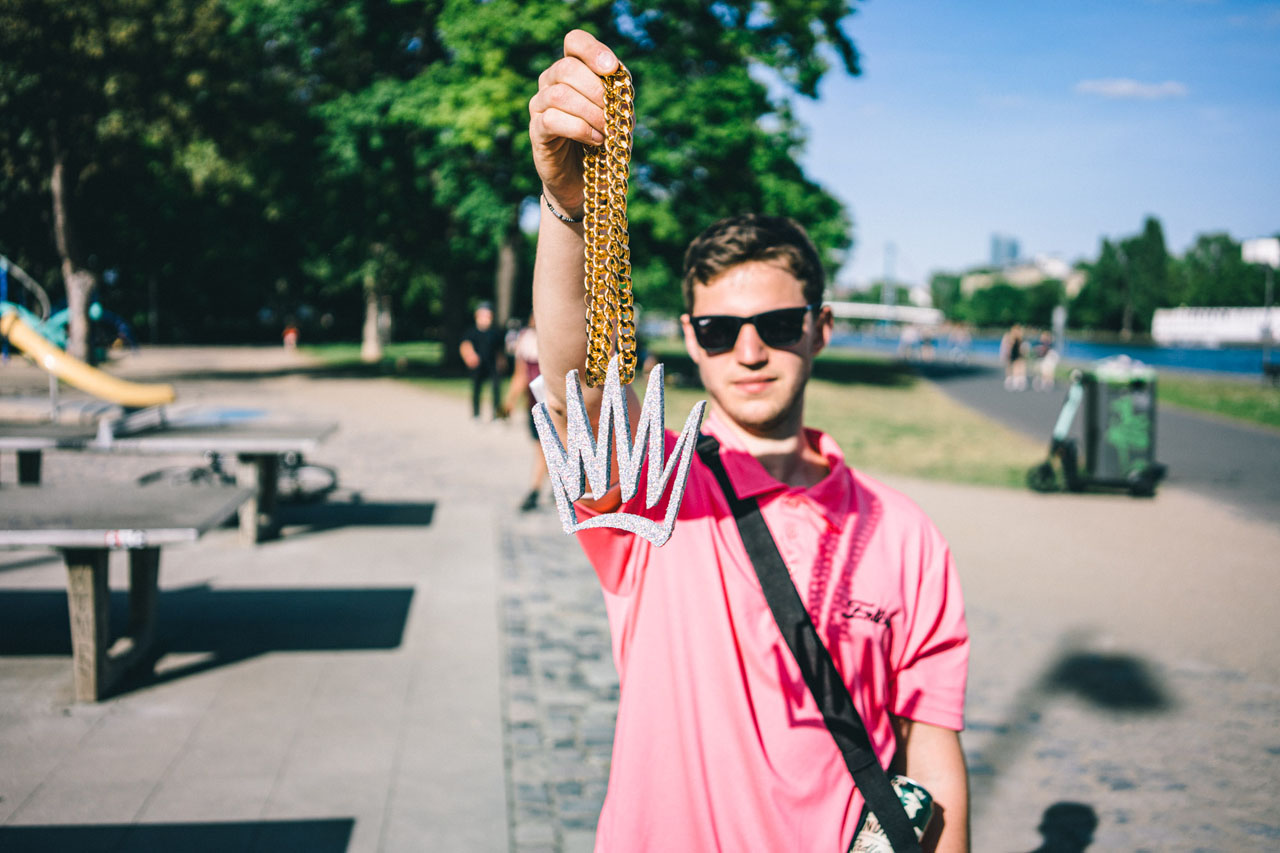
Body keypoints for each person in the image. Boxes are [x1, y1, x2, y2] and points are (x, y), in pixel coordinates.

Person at [529, 30, 969, 853]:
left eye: (775, 323)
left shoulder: (908, 536)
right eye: (720, 328)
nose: (750, 349)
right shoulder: (651, 488)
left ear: (821, 327)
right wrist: (568, 207)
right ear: (691, 340)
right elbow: (579, 393)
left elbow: (934, 758)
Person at [502, 317, 548, 511]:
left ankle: (535, 489)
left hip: (552, 402)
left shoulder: (555, 338)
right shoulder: (526, 340)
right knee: (541, 447)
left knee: (545, 448)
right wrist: (509, 401)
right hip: (534, 402)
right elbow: (520, 375)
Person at [459, 300, 504, 420]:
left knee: (496, 389)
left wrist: (501, 362)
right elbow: (465, 345)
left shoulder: (495, 332)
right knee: (476, 388)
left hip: (492, 364)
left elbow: (499, 350)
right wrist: (469, 356)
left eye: (488, 315)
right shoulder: (472, 332)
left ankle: (497, 415)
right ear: (477, 316)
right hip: (478, 364)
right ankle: (476, 414)